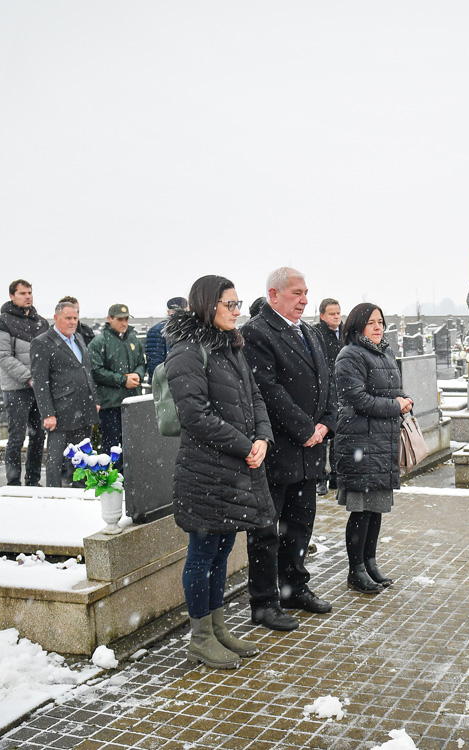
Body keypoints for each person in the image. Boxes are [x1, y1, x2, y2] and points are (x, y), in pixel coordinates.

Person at [164, 275, 276, 669]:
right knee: (202, 555)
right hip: (205, 474)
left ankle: (217, 628)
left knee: (222, 552)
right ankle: (200, 638)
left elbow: (255, 397)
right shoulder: (186, 352)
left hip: (235, 471)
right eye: (230, 304)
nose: (237, 311)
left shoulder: (230, 346)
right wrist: (246, 446)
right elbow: (195, 416)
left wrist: (262, 438)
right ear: (208, 304)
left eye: (238, 303)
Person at [241, 267, 336, 631]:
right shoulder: (257, 332)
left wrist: (326, 423)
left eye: (306, 293)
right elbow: (268, 389)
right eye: (297, 293)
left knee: (299, 526)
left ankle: (294, 587)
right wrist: (304, 429)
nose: (304, 300)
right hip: (279, 451)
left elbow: (326, 382)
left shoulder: (309, 332)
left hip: (309, 451)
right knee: (267, 530)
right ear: (273, 295)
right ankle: (264, 601)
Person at [332, 303, 412, 593]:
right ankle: (356, 570)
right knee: (361, 510)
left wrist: (404, 400)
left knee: (375, 508)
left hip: (381, 441)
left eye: (380, 322)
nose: (378, 327)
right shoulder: (350, 355)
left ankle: (370, 562)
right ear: (357, 326)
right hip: (359, 442)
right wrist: (395, 405)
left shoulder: (385, 353)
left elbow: (392, 391)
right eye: (371, 322)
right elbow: (358, 399)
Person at [30, 300, 99, 487]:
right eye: (68, 318)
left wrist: (94, 399)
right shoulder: (42, 342)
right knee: (56, 457)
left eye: (75, 318)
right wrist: (48, 413)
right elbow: (40, 381)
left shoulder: (78, 338)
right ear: (56, 318)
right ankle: (54, 492)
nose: (72, 322)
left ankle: (80, 489)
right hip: (60, 410)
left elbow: (86, 370)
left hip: (83, 407)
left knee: (82, 455)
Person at [0, 279, 49, 486]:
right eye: (22, 293)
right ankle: (13, 482)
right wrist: (29, 377)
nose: (28, 297)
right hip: (16, 389)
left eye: (30, 292)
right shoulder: (2, 322)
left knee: (38, 436)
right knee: (16, 438)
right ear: (12, 296)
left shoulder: (41, 322)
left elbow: (47, 354)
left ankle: (33, 480)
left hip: (38, 388)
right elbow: (2, 356)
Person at [88, 303, 146, 454]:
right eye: (120, 319)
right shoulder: (99, 342)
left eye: (126, 319)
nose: (124, 323)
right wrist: (122, 380)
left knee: (133, 447)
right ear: (110, 319)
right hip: (111, 404)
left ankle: (129, 471)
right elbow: (96, 371)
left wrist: (138, 375)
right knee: (111, 447)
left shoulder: (133, 339)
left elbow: (141, 362)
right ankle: (112, 470)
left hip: (132, 402)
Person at [315, 298, 343, 494]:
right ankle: (320, 479)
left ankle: (335, 476)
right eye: (332, 314)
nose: (336, 317)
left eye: (338, 313)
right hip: (324, 391)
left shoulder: (344, 334)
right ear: (322, 316)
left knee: (338, 435)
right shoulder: (317, 334)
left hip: (341, 390)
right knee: (323, 436)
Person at [146, 297, 187, 381]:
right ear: (169, 312)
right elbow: (155, 364)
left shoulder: (188, 330)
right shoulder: (158, 331)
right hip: (169, 381)